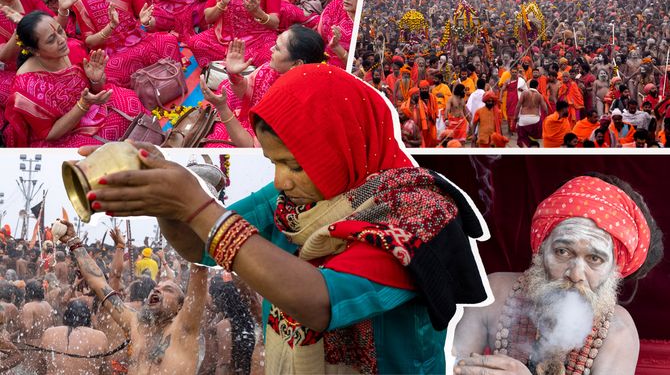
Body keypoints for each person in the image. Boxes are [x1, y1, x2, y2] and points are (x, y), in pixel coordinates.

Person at [87, 63, 491, 373]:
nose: (280, 179)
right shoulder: (291, 200)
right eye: (273, 162)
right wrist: (163, 200)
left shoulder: (417, 212)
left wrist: (194, 205)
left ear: (341, 147)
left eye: (295, 165)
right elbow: (199, 246)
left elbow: (319, 302)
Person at [453, 174, 663, 375]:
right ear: (542, 250)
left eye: (595, 259)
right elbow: (449, 364)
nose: (575, 274)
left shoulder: (617, 332)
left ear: (614, 270)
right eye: (562, 251)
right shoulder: (493, 293)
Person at [55, 222, 209, 374]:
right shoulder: (136, 324)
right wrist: (74, 241)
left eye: (167, 289)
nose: (156, 290)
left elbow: (199, 271)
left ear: (180, 307)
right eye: (155, 288)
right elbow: (98, 282)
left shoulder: (185, 329)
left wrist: (198, 223)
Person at [3, 11, 146, 147]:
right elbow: (50, 133)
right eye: (51, 40)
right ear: (34, 50)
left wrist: (96, 80)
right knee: (92, 151)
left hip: (90, 109)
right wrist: (83, 105)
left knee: (130, 101)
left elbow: (95, 90)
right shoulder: (26, 85)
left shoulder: (72, 48)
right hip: (64, 134)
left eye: (60, 31)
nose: (61, 40)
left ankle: (161, 134)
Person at [201, 25, 325, 147]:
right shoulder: (271, 69)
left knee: (214, 145)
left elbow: (251, 146)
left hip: (264, 145)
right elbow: (246, 92)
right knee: (227, 86)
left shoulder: (293, 101)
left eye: (277, 48)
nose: (271, 49)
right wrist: (234, 74)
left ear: (297, 63)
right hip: (253, 121)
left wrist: (222, 108)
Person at [72, 0, 181, 87]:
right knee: (109, 70)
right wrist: (110, 27)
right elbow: (89, 42)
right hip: (110, 50)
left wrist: (146, 22)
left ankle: (168, 81)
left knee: (168, 40)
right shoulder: (84, 0)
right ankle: (137, 88)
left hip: (137, 38)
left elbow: (148, 21)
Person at [0, 0, 86, 111]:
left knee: (75, 48)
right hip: (20, 68)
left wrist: (63, 10)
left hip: (50, 51)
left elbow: (55, 28)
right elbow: (4, 56)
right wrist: (20, 29)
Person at [39, 299, 110, 374]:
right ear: (88, 317)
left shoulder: (49, 333)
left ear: (66, 316)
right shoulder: (100, 337)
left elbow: (40, 368)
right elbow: (106, 371)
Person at [317, 0, 359, 69]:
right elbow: (320, 39)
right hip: (323, 61)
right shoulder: (336, 5)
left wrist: (337, 48)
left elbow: (357, 67)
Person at [515, 79, 548, 147]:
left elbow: (518, 106)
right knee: (535, 139)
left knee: (523, 139)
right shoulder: (539, 95)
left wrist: (515, 117)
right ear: (537, 86)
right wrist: (546, 117)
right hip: (535, 119)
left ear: (529, 86)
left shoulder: (524, 93)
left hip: (523, 119)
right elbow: (545, 108)